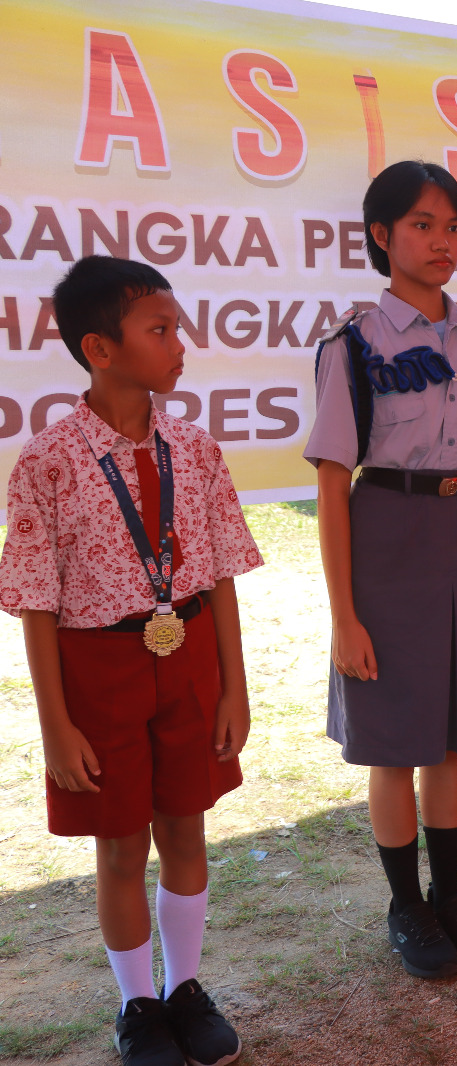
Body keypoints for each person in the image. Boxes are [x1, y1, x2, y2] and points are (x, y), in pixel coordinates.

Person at [0, 256, 261, 1065]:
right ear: (100, 348)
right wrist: (55, 727)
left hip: (190, 658)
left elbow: (220, 575)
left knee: (186, 827)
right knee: (120, 846)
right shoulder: (46, 461)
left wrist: (234, 689)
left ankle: (185, 988)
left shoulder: (196, 449)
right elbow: (37, 605)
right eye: (161, 329)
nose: (179, 344)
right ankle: (138, 1004)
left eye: (176, 328)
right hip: (98, 670)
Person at [304, 161, 457, 980]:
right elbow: (333, 484)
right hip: (387, 536)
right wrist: (343, 616)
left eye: (453, 226)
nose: (442, 241)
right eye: (423, 224)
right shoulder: (353, 345)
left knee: (450, 737)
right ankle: (407, 906)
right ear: (382, 235)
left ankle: (451, 897)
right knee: (395, 740)